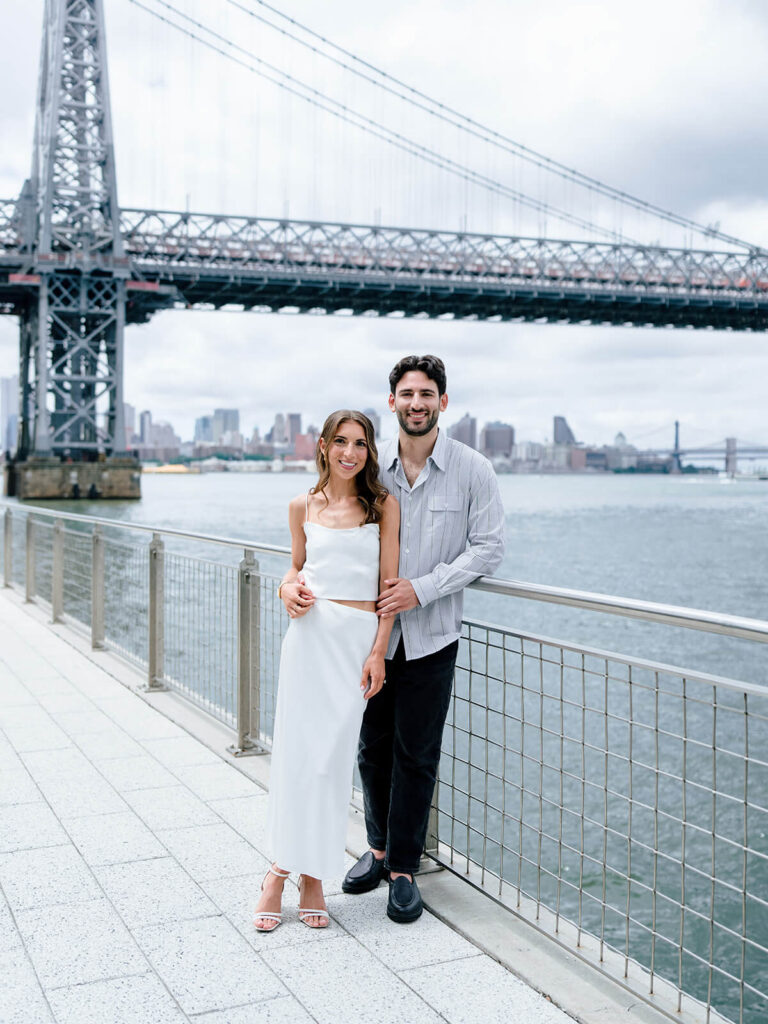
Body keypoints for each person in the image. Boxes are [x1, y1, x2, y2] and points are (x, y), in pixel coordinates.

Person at [342, 355, 505, 923]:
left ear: (443, 402)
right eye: (407, 393)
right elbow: (337, 529)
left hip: (433, 637)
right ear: (392, 402)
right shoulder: (369, 469)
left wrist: (425, 588)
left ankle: (405, 869)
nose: (417, 403)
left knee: (417, 755)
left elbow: (489, 548)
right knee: (370, 749)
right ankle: (378, 848)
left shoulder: (472, 469)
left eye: (427, 393)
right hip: (370, 640)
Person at [254, 410, 399, 932]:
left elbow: (388, 587)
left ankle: (310, 870)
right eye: (341, 441)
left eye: (360, 443)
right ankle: (283, 872)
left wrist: (378, 650)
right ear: (322, 445)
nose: (350, 453)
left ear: (369, 451)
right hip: (308, 640)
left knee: (331, 763)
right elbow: (295, 567)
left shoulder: (382, 508)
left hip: (354, 644)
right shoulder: (301, 505)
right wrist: (284, 587)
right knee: (295, 758)